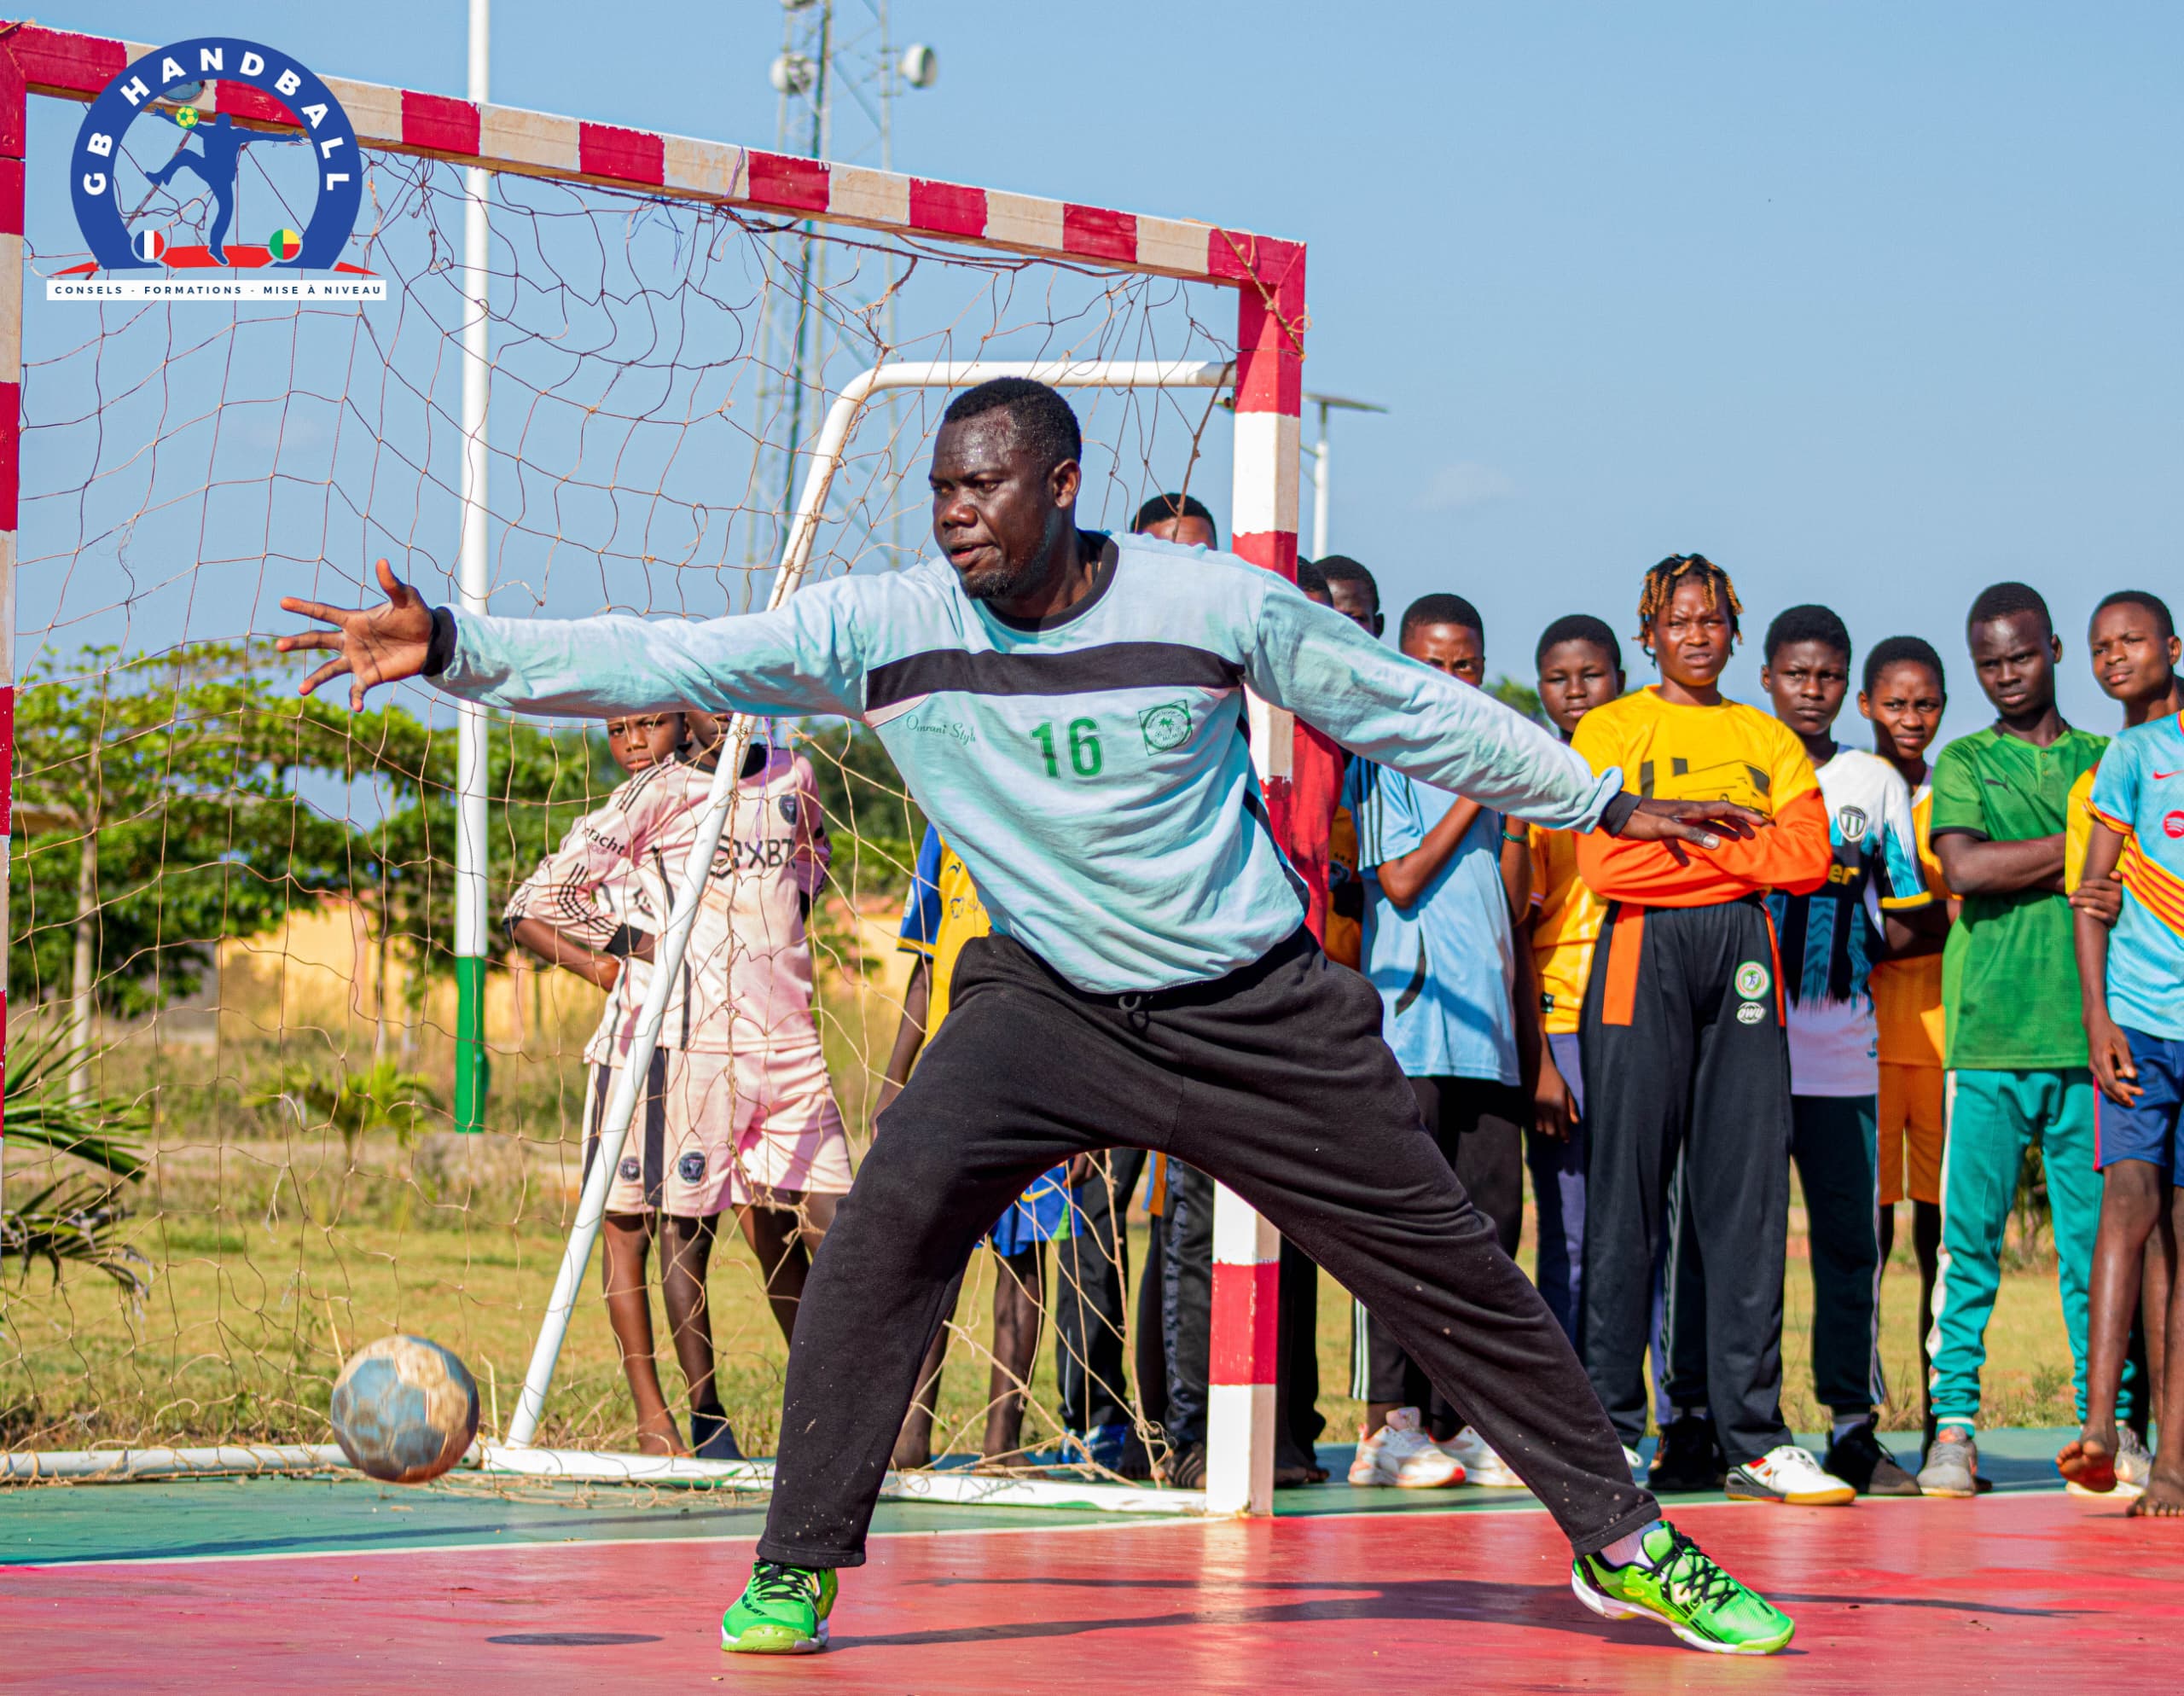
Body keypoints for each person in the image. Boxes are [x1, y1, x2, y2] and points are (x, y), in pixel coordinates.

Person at [282, 378, 1797, 1658]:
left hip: (1252, 1002)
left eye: (986, 484)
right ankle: (801, 1552)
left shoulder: (1207, 604)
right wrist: (462, 646)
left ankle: (1620, 1535)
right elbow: (674, 653)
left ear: (1064, 487)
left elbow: (1404, 704)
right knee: (886, 1225)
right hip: (1047, 997)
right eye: (939, 485)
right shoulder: (885, 625)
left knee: (1449, 1261)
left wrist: (1599, 792)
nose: (954, 510)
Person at [1570, 555, 1850, 1507]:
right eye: (1678, 620)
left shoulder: (1765, 736)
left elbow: (1807, 856)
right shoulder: (1611, 725)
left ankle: (1754, 1437)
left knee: (1745, 1200)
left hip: (1741, 958)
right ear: (1648, 633)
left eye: (1713, 619)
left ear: (1735, 630)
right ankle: (1608, 1427)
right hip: (1636, 956)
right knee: (1623, 1202)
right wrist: (1734, 851)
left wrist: (1681, 846)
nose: (1697, 633)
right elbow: (1607, 864)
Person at [504, 712, 851, 1460]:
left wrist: (782, 934)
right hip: (654, 1046)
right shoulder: (646, 803)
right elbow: (531, 909)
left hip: (774, 1038)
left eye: (648, 724)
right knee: (650, 1230)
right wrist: (618, 958)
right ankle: (682, 1415)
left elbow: (809, 864)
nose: (634, 740)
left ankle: (829, 1410)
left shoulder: (792, 777)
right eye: (619, 728)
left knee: (812, 1227)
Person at [1917, 582, 2116, 1498]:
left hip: (2090, 1040)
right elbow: (1964, 866)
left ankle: (2102, 1429)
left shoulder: (2106, 756)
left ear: (2054, 652)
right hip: (1987, 1037)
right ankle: (1952, 1429)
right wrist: (2084, 846)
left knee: (2094, 1250)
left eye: (2021, 655)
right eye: (1989, 661)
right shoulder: (1960, 759)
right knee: (1968, 1246)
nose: (2005, 674)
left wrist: (2031, 852)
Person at [1343, 593, 1526, 1491]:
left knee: (1489, 1228)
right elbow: (1403, 880)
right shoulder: (1388, 756)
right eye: (1433, 662)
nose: (1450, 681)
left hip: (1486, 1028)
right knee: (1405, 1227)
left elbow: (1512, 906)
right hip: (1411, 1023)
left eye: (1467, 666)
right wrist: (1471, 787)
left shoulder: (1495, 759)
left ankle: (1464, 1421)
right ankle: (1393, 1422)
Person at [1758, 607, 1933, 1496]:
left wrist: (1859, 950)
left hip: (1841, 1051)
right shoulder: (1742, 760)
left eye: (1828, 676)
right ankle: (1729, 1421)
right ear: (1768, 678)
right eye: (1796, 674)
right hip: (1744, 1051)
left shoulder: (1871, 781)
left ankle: (1853, 1426)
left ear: (1847, 686)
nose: (1812, 690)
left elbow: (1904, 901)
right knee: (1737, 1245)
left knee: (1848, 1243)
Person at [883, 824, 1072, 1467]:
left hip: (1038, 1069)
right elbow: (924, 966)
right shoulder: (945, 824)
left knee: (1023, 1260)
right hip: (949, 1071)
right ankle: (911, 1429)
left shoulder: (1056, 823)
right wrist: (892, 1081)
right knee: (935, 1253)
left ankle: (1003, 1439)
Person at [2054, 590, 2184, 1501]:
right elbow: (2089, 897)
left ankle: (2172, 1460)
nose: (2113, 657)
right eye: (2100, 646)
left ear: (2172, 646)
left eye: (2132, 641)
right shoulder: (2130, 757)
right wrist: (2097, 1018)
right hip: (2139, 1017)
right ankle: (2099, 1422)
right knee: (2127, 1207)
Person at [1858, 635, 1955, 1443]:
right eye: (1896, 703)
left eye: (1926, 703)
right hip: (1869, 1047)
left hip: (1948, 1043)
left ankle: (1939, 1422)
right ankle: (1860, 1419)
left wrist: (1909, 921)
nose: (1911, 718)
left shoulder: (1954, 793)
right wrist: (1942, 915)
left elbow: (1910, 919)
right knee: (1871, 1240)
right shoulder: (1859, 792)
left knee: (1943, 1244)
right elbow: (1877, 930)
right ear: (1867, 707)